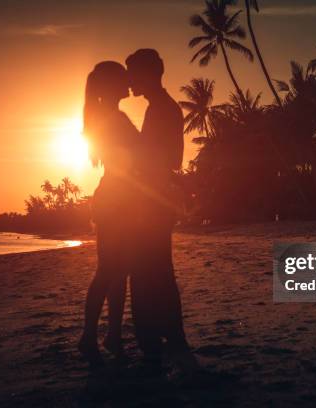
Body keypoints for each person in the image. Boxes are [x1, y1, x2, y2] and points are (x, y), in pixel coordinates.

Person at [123, 49, 198, 372]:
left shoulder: (162, 110)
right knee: (157, 273)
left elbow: (164, 161)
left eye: (132, 72)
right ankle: (170, 338)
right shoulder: (161, 108)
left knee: (146, 275)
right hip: (153, 202)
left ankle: (154, 345)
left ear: (149, 74)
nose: (129, 79)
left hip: (149, 204)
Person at [78, 61, 140, 366]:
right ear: (111, 84)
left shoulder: (107, 117)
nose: (129, 81)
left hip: (116, 198)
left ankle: (110, 335)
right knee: (109, 271)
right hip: (117, 200)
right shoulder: (111, 119)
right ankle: (90, 336)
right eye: (123, 77)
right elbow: (129, 162)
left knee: (117, 271)